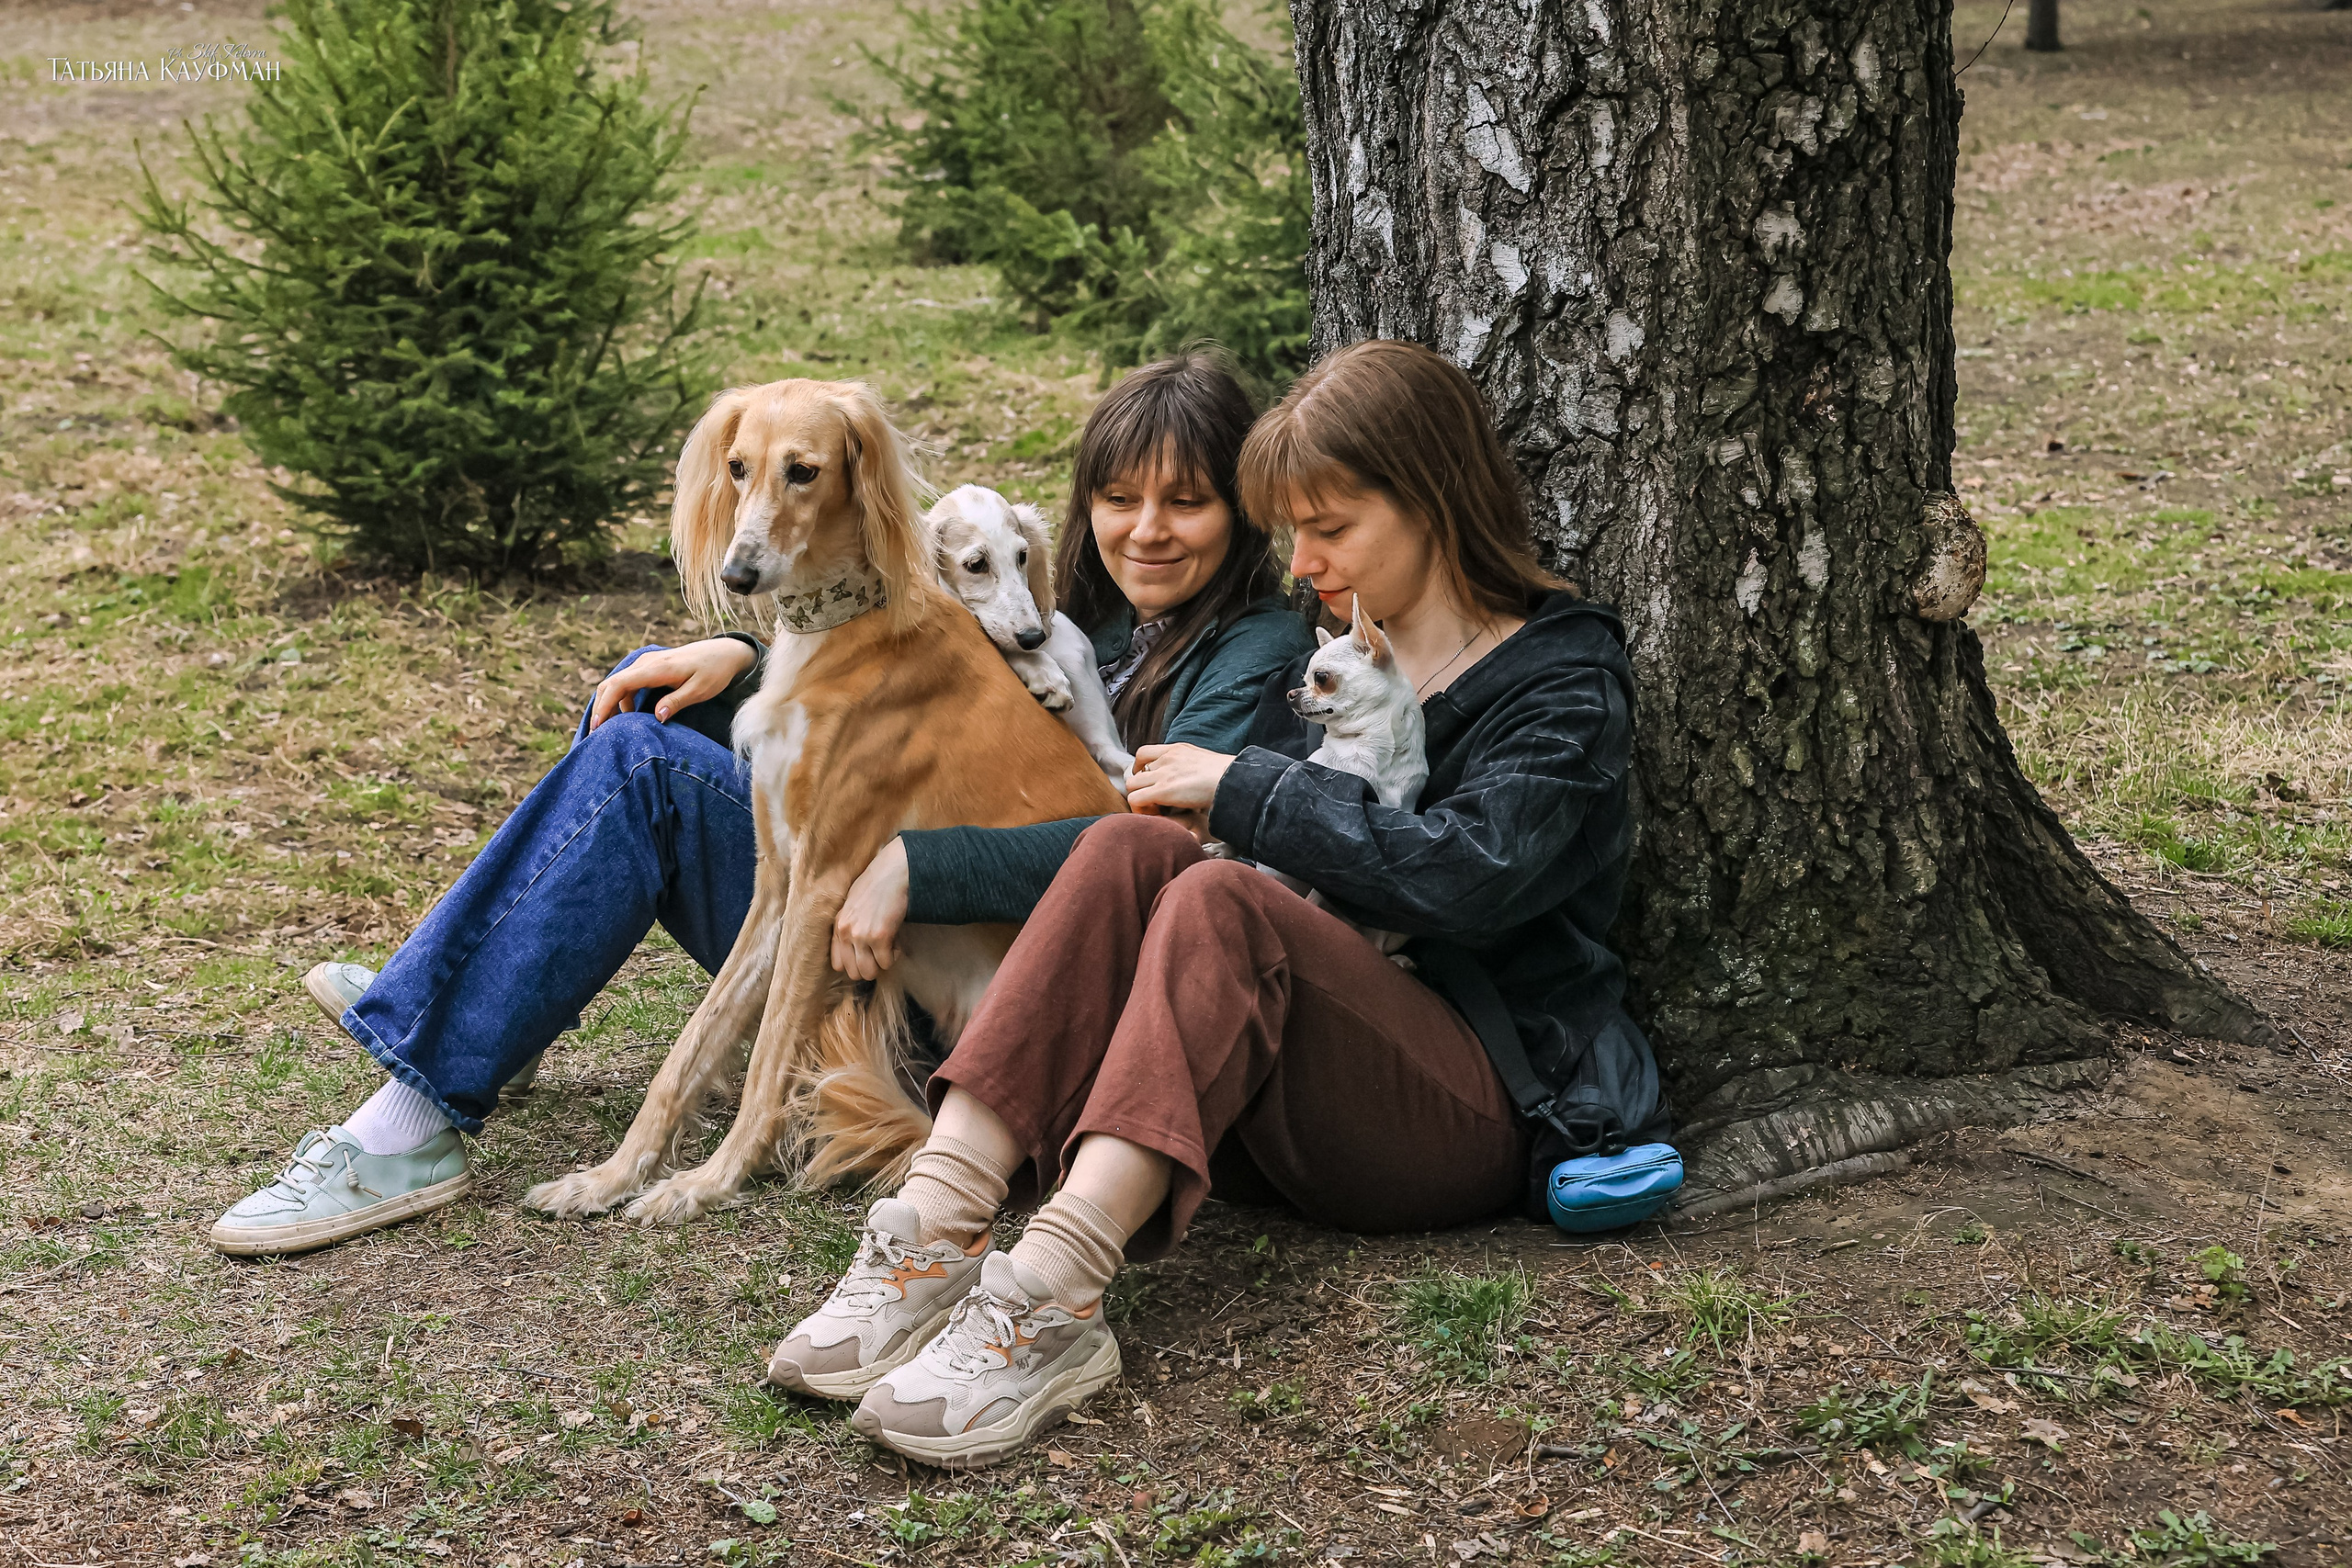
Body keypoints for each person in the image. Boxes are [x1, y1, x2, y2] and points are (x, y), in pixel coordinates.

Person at [768, 339, 1665, 1472]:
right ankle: (932, 1232)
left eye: (1330, 530)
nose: (1303, 562)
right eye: (1294, 532)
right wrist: (749, 658)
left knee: (1223, 898)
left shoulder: (1560, 676)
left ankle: (1050, 1296)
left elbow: (1466, 877)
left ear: (1432, 502)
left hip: (1465, 1102)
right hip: (1258, 1093)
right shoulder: (1342, 648)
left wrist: (1246, 786)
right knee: (1131, 846)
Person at [206, 347, 1313, 1258]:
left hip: (976, 991)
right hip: (888, 928)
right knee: (648, 708)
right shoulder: (1057, 593)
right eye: (1118, 500)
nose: (1146, 531)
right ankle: (486, 994)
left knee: (646, 766)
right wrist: (739, 657)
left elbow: (1156, 849)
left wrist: (920, 869)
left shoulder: (1256, 649)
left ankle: (426, 1088)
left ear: (1246, 514)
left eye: (1189, 503)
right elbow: (893, 697)